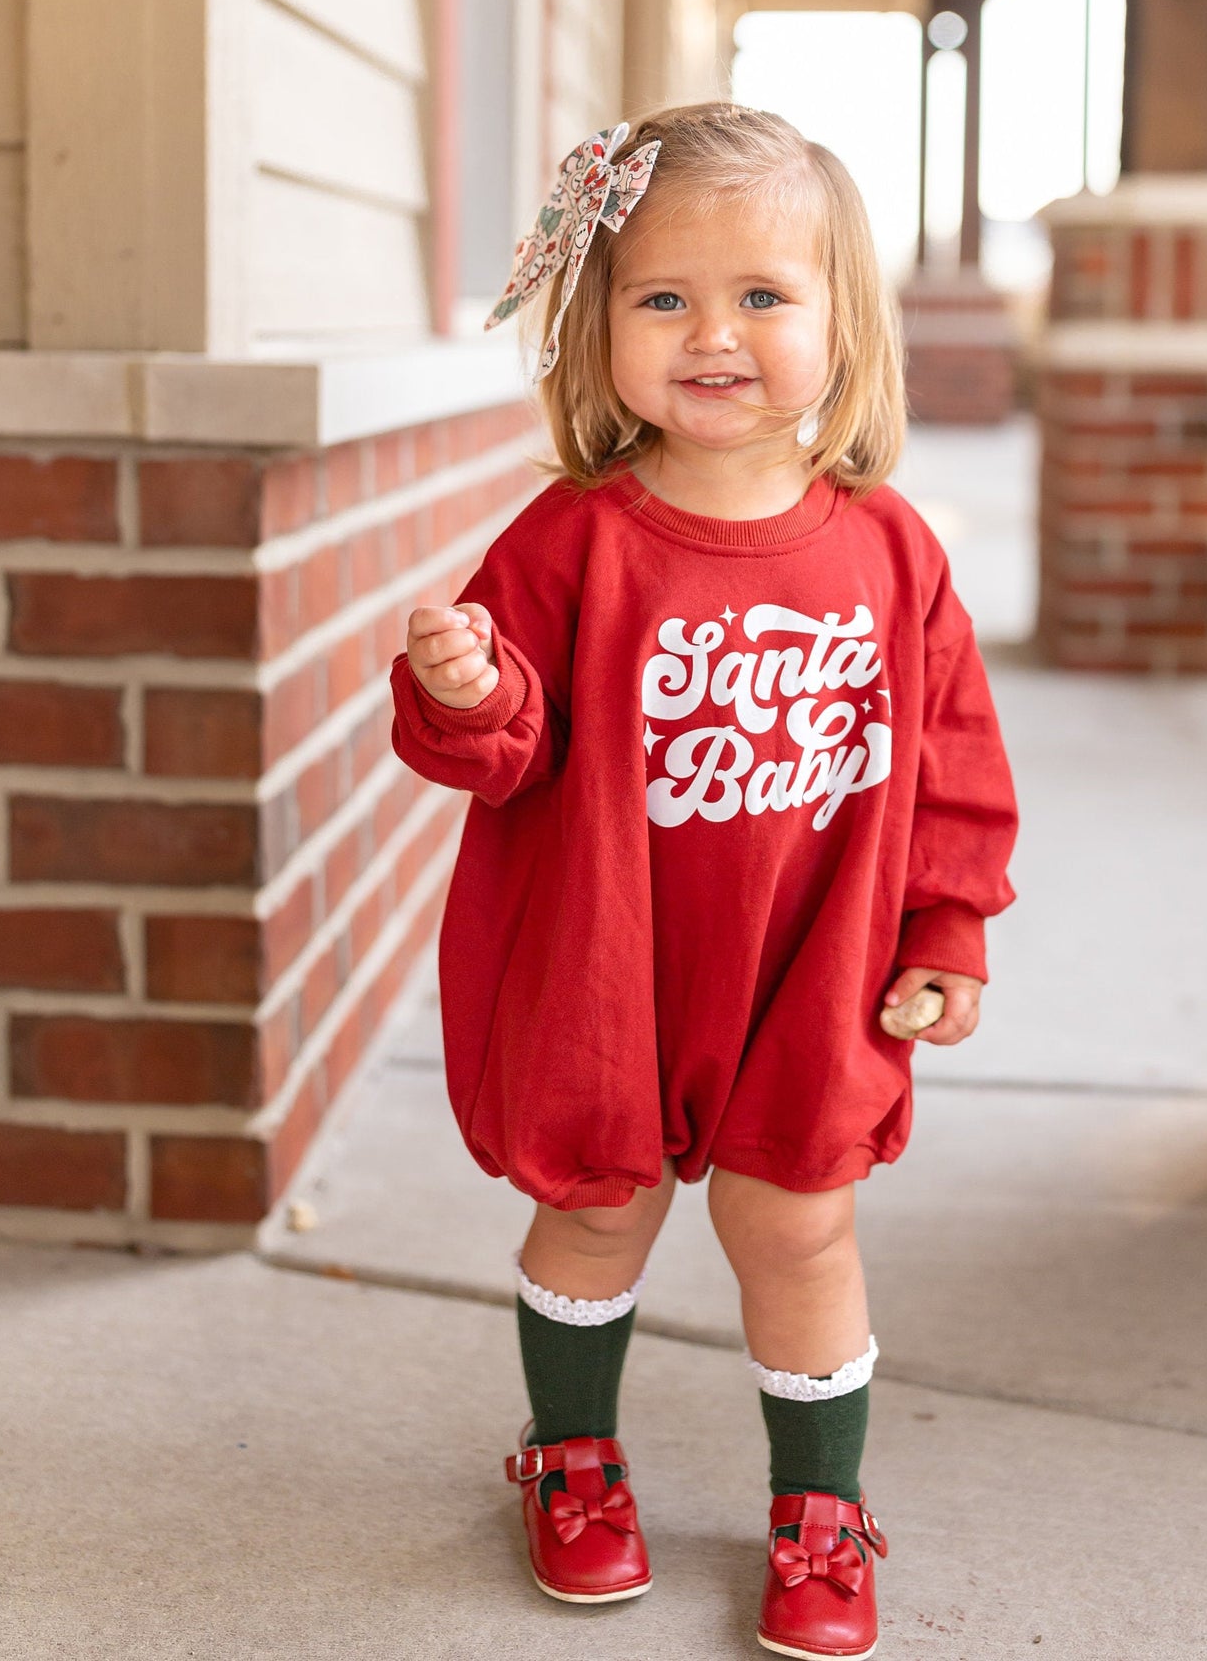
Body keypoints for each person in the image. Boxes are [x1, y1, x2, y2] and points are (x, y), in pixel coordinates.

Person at [390, 103, 1017, 1659]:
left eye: (761, 297)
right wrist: (468, 691)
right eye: (661, 298)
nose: (710, 335)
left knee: (800, 1226)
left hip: (814, 971)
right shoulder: (567, 542)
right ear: (596, 325)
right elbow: (501, 752)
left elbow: (950, 762)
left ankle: (816, 1504)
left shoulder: (888, 552)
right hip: (611, 966)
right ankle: (570, 1454)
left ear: (839, 320)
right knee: (596, 1215)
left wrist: (947, 925)